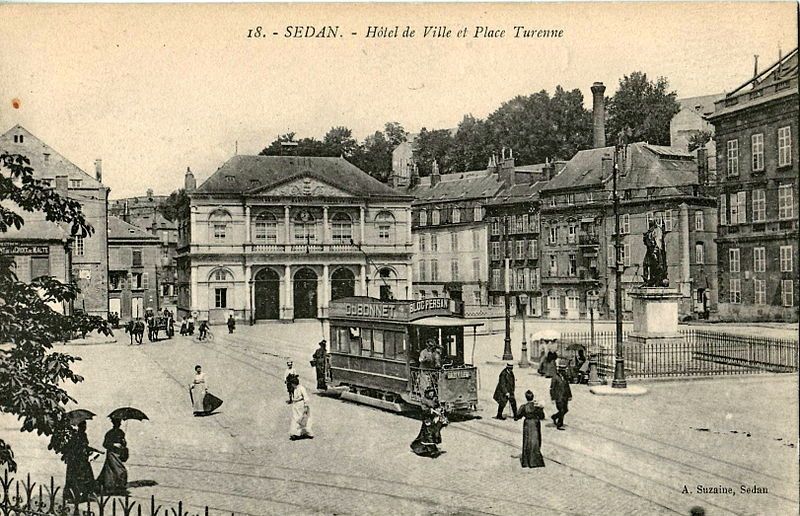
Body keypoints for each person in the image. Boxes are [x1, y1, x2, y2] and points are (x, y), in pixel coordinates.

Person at [63, 420, 98, 503]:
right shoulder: (76, 436)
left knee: (86, 477)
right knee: (79, 477)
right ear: (80, 426)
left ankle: (84, 495)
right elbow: (76, 448)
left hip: (82, 460)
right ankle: (75, 496)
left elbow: (85, 446)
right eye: (83, 426)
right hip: (77, 460)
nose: (85, 428)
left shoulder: (82, 435)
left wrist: (92, 450)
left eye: (85, 426)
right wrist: (85, 450)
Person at [410, 387, 447, 458]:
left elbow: (438, 406)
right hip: (428, 419)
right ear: (427, 393)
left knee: (433, 433)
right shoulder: (424, 400)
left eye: (432, 392)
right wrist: (431, 411)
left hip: (434, 419)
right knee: (428, 434)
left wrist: (440, 409)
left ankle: (429, 448)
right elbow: (424, 410)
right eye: (430, 392)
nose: (431, 394)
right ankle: (432, 451)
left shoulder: (434, 399)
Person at [96, 418, 128, 495]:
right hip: (112, 454)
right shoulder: (109, 433)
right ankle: (112, 488)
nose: (119, 424)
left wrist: (123, 442)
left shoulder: (121, 432)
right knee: (118, 471)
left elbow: (124, 444)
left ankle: (115, 488)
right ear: (114, 423)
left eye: (119, 422)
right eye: (117, 422)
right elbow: (105, 444)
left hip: (118, 454)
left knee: (112, 471)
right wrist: (114, 444)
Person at [514, 390, 546, 468]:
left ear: (526, 397)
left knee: (527, 441)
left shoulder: (524, 407)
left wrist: (516, 417)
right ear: (533, 397)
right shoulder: (537, 406)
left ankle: (527, 461)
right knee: (536, 440)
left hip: (527, 424)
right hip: (535, 423)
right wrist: (541, 409)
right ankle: (536, 460)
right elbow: (542, 416)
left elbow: (518, 416)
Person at [287, 375, 313, 440]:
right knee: (295, 419)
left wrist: (306, 407)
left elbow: (306, 398)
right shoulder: (295, 389)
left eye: (292, 384)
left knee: (302, 420)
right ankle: (295, 433)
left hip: (301, 407)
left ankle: (304, 433)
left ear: (294, 383)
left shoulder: (302, 388)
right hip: (296, 407)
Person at [550, 360, 572, 430]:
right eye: (564, 369)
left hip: (565, 396)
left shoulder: (565, 377)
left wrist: (570, 395)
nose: (565, 370)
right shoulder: (555, 377)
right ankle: (559, 424)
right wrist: (553, 398)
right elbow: (552, 388)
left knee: (565, 410)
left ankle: (554, 417)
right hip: (558, 397)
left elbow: (567, 386)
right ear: (560, 369)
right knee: (562, 410)